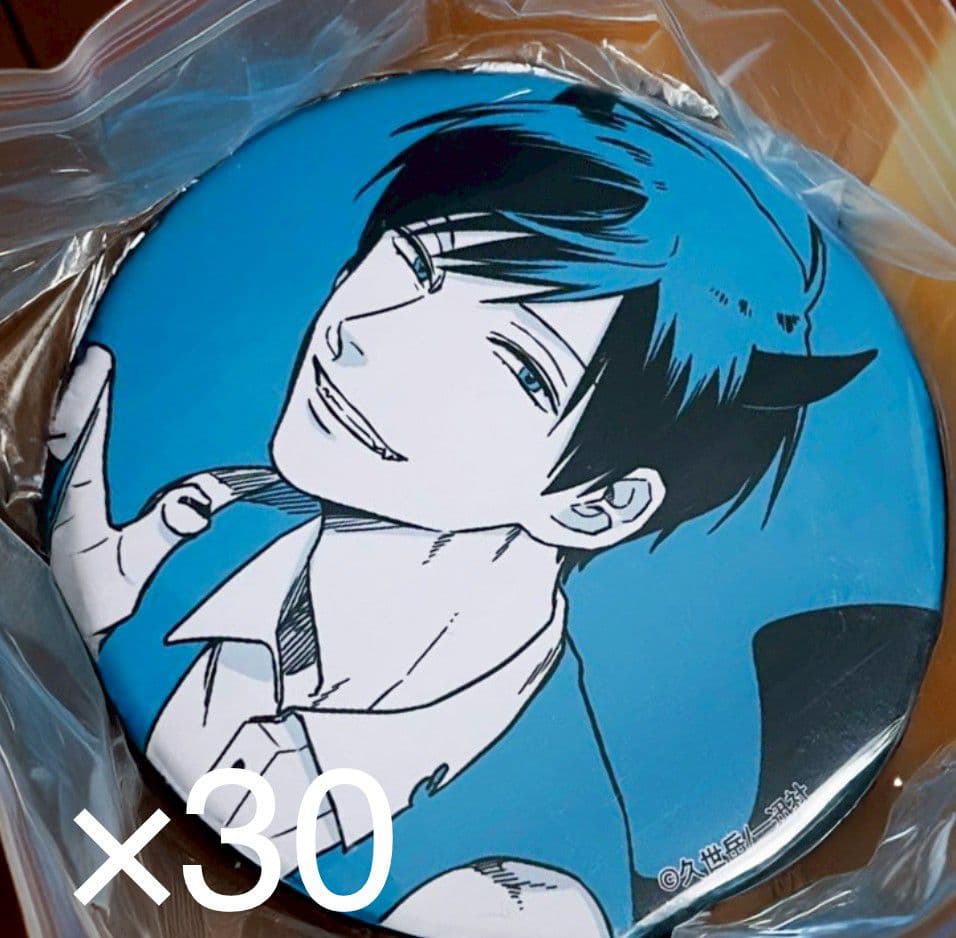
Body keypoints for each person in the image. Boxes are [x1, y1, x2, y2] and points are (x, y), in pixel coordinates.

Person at [47, 87, 875, 936]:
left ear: (598, 504)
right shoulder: (168, 541)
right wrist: (79, 631)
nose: (365, 334)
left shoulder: (523, 888)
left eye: (519, 364)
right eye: (416, 265)